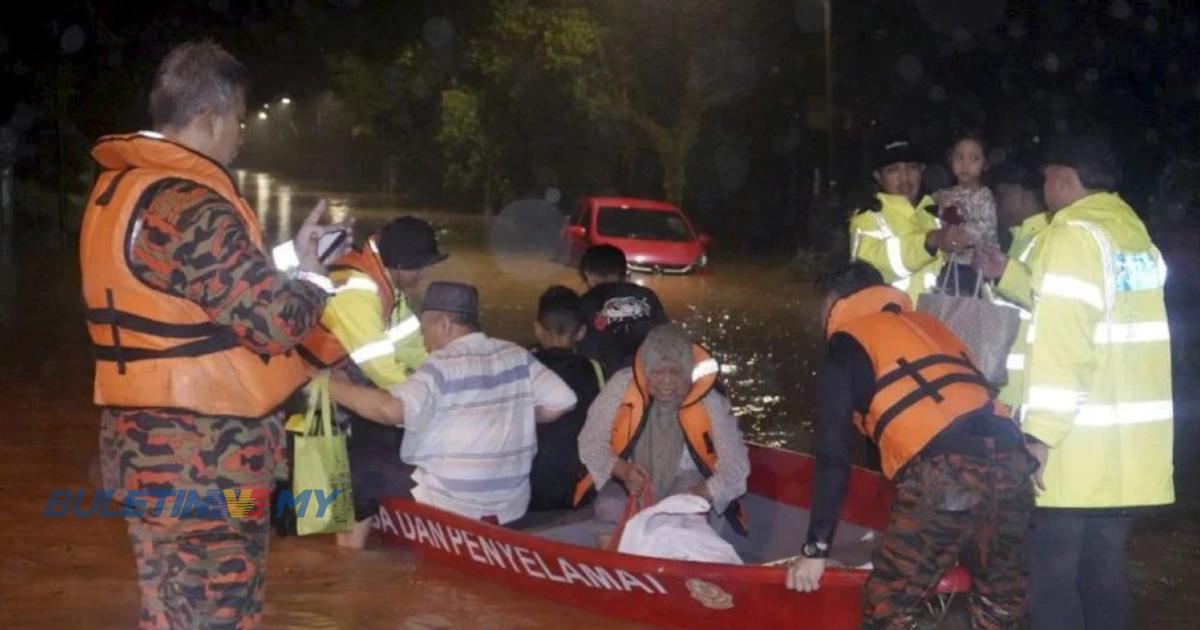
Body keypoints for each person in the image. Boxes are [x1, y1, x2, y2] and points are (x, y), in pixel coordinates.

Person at [80, 42, 349, 628]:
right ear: (209, 118)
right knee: (219, 613)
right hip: (205, 461)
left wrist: (291, 262)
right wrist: (313, 276)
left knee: (170, 612)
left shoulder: (124, 192)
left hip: (145, 453)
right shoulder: (191, 204)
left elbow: (205, 297)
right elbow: (274, 323)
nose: (241, 137)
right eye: (239, 121)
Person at [786, 262, 1035, 629]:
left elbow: (832, 454)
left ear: (835, 302)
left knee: (888, 606)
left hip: (947, 474)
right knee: (1000, 604)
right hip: (1014, 465)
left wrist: (816, 548)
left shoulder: (847, 344)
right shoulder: (928, 325)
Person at [1018, 134, 1174, 630]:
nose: (1044, 187)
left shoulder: (1071, 236)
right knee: (1104, 576)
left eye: (1047, 176)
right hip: (1128, 454)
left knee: (1051, 583)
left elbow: (1065, 346)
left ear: (1065, 177)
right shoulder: (1133, 238)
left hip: (1075, 452)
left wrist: (1039, 434)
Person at [328, 282, 577, 524]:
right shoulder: (515, 354)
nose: (423, 340)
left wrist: (329, 385)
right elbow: (564, 401)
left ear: (444, 324)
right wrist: (514, 413)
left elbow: (390, 409)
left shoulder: (442, 364)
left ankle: (335, 542)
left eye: (423, 330)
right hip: (510, 505)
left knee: (356, 466)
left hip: (452, 505)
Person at [299, 216, 447, 549]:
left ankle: (340, 533)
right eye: (419, 268)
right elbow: (383, 370)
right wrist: (430, 400)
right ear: (399, 264)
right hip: (307, 387)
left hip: (332, 382)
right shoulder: (357, 292)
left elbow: (412, 347)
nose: (422, 275)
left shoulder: (384, 285)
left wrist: (443, 377)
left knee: (357, 468)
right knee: (307, 498)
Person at [576, 324, 750, 548]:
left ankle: (669, 570)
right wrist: (623, 470)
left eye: (676, 372)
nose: (667, 382)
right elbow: (590, 441)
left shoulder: (711, 400)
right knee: (609, 505)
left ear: (688, 372)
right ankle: (615, 571)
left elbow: (735, 467)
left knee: (680, 513)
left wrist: (700, 493)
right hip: (630, 476)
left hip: (685, 480)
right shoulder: (621, 384)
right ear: (646, 370)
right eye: (657, 372)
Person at [849, 133, 972, 303]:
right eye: (893, 169)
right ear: (878, 176)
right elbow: (872, 269)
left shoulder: (933, 215)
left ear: (921, 171)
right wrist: (930, 241)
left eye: (911, 167)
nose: (904, 177)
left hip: (932, 322)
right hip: (890, 323)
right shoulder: (867, 217)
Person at [973, 160, 1050, 412]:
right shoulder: (1020, 240)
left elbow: (1049, 299)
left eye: (1002, 195)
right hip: (1009, 387)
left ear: (1024, 195)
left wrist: (1006, 273)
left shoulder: (1047, 240)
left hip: (1030, 390)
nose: (997, 203)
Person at [528, 286, 606, 511]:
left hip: (526, 486)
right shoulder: (597, 371)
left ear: (537, 329)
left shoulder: (520, 366)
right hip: (576, 489)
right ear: (581, 332)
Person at [576, 244, 669, 377]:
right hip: (654, 377)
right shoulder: (647, 296)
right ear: (624, 273)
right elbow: (668, 337)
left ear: (587, 273)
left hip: (607, 382)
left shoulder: (583, 303)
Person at [933, 133, 999, 293]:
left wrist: (961, 235)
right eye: (959, 157)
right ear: (951, 160)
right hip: (949, 264)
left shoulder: (984, 195)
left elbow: (985, 226)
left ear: (985, 164)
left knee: (970, 308)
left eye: (974, 158)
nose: (965, 164)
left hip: (976, 267)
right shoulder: (942, 195)